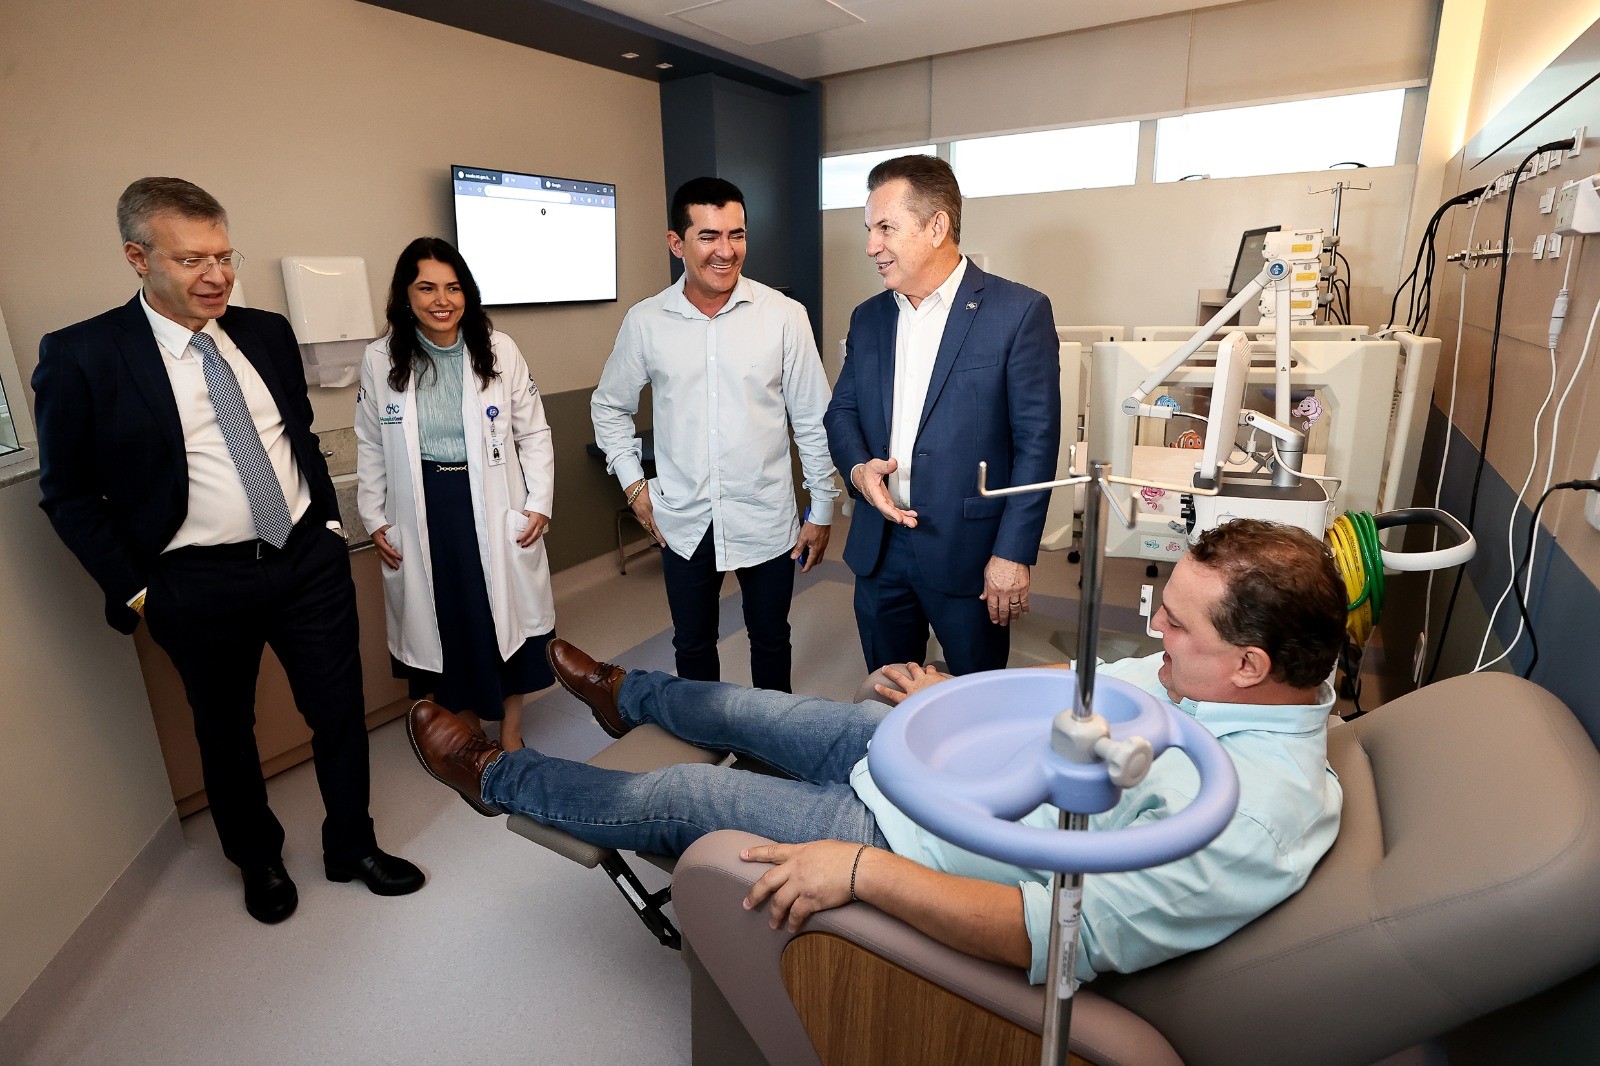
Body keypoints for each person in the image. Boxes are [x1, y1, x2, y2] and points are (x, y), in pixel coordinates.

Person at [409, 519, 1346, 983]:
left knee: (685, 795)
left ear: (1251, 664)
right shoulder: (1203, 682)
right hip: (936, 760)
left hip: (910, 840)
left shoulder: (1252, 813)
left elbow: (1061, 935)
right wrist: (954, 698)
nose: (1155, 632)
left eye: (1176, 624)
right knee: (748, 707)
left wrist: (859, 871)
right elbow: (1068, 692)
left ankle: (497, 776)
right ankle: (627, 695)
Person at [33, 177, 422, 924]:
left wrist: (328, 527)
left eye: (223, 255)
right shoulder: (84, 355)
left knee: (339, 712)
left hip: (305, 561)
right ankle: (259, 860)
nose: (216, 275)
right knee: (225, 732)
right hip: (195, 581)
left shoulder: (266, 332)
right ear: (138, 258)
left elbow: (296, 435)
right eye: (191, 260)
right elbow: (68, 496)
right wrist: (139, 591)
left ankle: (352, 845)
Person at [590, 177, 837, 694]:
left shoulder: (784, 316)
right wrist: (634, 486)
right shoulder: (646, 322)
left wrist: (821, 508)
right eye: (708, 236)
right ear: (676, 243)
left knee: (771, 640)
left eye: (736, 234)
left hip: (763, 516)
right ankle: (705, 740)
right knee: (693, 646)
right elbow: (609, 406)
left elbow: (813, 418)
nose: (726, 251)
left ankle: (771, 739)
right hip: (684, 519)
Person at [824, 154, 1059, 677]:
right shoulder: (869, 318)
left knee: (975, 703)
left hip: (971, 555)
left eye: (886, 228)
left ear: (936, 227)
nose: (871, 246)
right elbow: (841, 410)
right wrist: (859, 470)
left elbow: (1036, 442)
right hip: (880, 548)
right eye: (869, 230)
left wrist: (1013, 553)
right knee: (888, 696)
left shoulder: (1017, 313)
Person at [356, 237, 556, 752]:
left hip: (494, 500)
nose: (442, 300)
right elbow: (371, 442)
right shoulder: (380, 358)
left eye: (453, 287)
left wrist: (538, 502)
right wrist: (374, 516)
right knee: (448, 624)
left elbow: (534, 432)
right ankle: (469, 732)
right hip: (424, 506)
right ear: (405, 295)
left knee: (505, 622)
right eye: (427, 288)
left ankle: (510, 732)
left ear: (468, 292)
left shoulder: (499, 348)